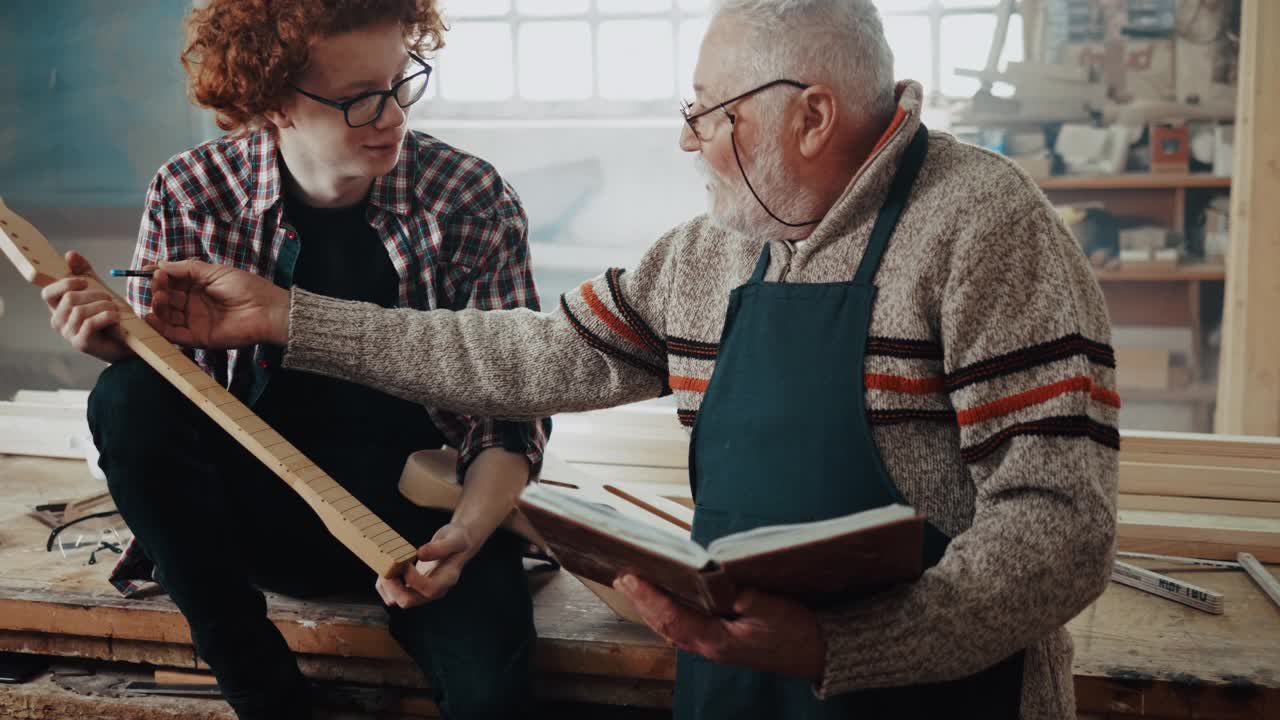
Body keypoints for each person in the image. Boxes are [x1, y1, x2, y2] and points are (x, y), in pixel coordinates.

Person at [109, 0, 1122, 717]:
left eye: (707, 112)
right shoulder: (710, 253)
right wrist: (287, 316)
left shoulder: (982, 228)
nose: (686, 142)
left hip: (938, 701)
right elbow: (535, 352)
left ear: (809, 115)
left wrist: (834, 647)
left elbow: (1060, 529)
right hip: (735, 684)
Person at [37, 1, 548, 718]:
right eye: (359, 100)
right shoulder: (193, 191)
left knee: (493, 690)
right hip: (261, 512)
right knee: (126, 396)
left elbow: (509, 414)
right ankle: (265, 696)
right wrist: (124, 350)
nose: (393, 116)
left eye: (402, 83)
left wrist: (467, 533)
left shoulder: (468, 199)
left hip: (425, 518)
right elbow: (171, 418)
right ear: (272, 102)